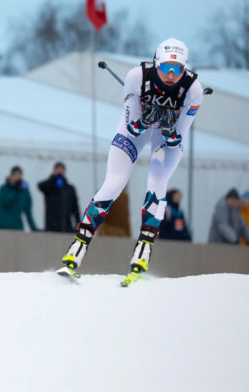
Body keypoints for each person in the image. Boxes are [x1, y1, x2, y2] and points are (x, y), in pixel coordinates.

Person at [60, 38, 204, 279]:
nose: (171, 74)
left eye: (177, 69)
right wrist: (147, 119)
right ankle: (77, 248)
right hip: (137, 129)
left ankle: (143, 250)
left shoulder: (194, 90)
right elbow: (132, 126)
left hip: (163, 137)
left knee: (157, 182)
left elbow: (179, 139)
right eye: (165, 67)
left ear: (185, 69)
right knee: (115, 182)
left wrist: (169, 130)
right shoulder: (137, 77)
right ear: (156, 63)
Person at [0, 166, 37, 231]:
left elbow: (28, 212)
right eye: (15, 175)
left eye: (19, 174)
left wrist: (34, 228)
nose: (17, 177)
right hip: (0, 225)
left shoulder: (25, 192)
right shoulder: (4, 188)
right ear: (11, 176)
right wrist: (15, 189)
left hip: (16, 226)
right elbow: (5, 203)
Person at [37, 162, 79, 232]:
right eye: (57, 169)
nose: (59, 171)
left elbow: (75, 208)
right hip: (51, 227)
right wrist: (53, 177)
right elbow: (41, 186)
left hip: (66, 226)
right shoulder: (50, 187)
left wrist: (78, 225)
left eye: (61, 169)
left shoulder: (70, 189)